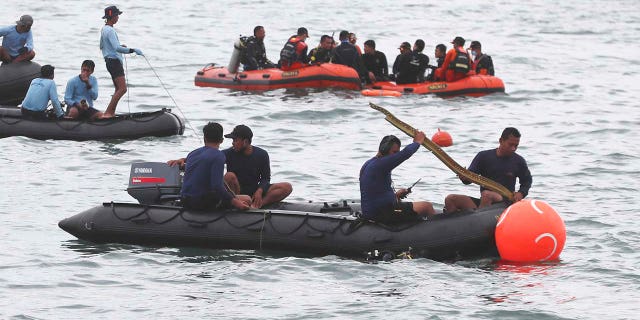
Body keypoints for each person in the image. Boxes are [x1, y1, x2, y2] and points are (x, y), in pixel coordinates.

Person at [444, 127, 532, 213]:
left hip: (504, 203)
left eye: (516, 146)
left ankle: (478, 220)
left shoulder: (518, 161)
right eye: (510, 145)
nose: (513, 148)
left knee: (487, 194)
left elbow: (527, 181)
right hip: (484, 201)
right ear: (501, 141)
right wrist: (464, 177)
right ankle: (453, 224)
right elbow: (468, 180)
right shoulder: (483, 156)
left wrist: (521, 193)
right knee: (450, 199)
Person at [167, 122, 251, 211]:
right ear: (222, 140)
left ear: (204, 138)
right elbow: (217, 186)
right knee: (247, 199)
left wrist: (182, 160)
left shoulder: (193, 154)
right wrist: (236, 202)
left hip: (185, 200)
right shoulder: (218, 156)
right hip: (202, 203)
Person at [359, 133, 436, 224]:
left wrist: (396, 196)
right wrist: (417, 142)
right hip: (382, 213)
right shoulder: (381, 164)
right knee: (427, 206)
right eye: (395, 152)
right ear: (384, 150)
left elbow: (374, 192)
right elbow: (405, 153)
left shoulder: (369, 163)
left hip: (374, 211)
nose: (396, 156)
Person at [223, 125, 293, 208]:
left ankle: (257, 205)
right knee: (229, 175)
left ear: (245, 142)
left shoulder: (262, 154)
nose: (233, 143)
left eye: (235, 140)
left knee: (287, 187)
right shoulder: (229, 153)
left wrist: (260, 190)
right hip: (237, 192)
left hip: (254, 190)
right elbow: (213, 158)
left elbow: (266, 178)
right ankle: (237, 204)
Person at [99, 6, 144, 118]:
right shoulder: (110, 30)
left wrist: (119, 46)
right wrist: (132, 50)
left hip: (109, 61)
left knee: (118, 89)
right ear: (112, 17)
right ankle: (108, 113)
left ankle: (110, 112)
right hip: (114, 62)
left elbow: (102, 46)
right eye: (117, 15)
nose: (118, 17)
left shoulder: (104, 29)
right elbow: (117, 48)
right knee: (122, 89)